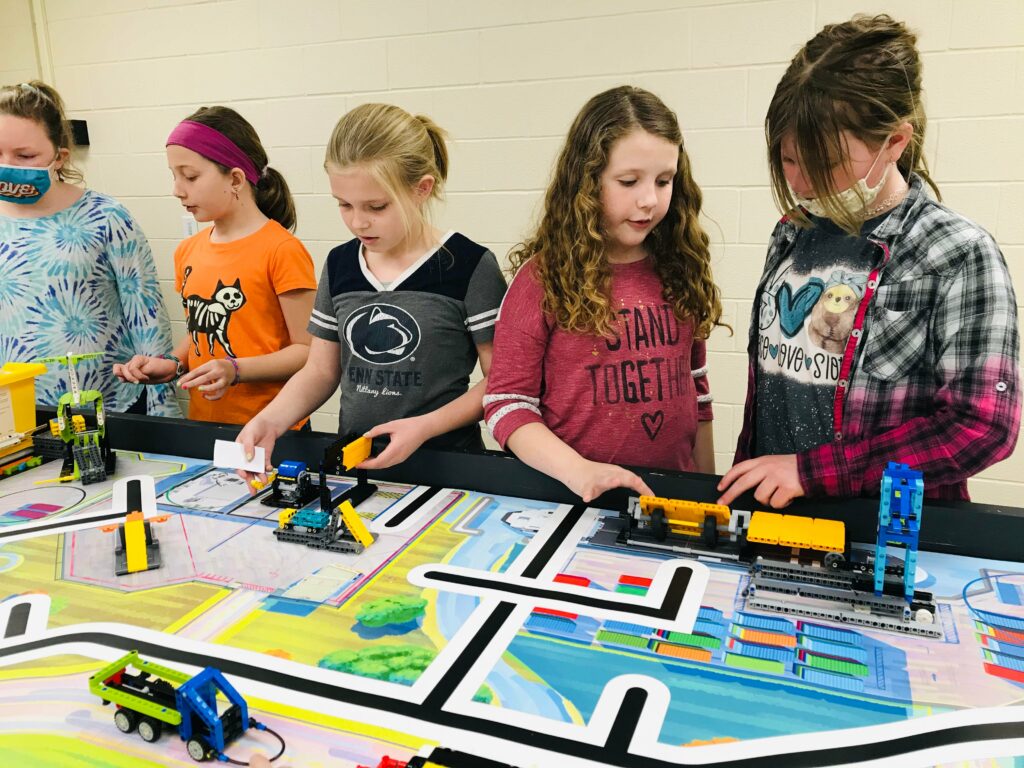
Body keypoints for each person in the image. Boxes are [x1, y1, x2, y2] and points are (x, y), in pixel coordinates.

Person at [718, 14, 1020, 507]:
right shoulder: (792, 232)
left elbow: (983, 425)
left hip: (879, 531)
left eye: (826, 165)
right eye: (790, 160)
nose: (800, 183)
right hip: (773, 514)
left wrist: (814, 472)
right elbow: (774, 394)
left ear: (895, 142)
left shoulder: (957, 253)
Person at [483, 86, 725, 503]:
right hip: (573, 498)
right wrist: (579, 472)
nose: (649, 200)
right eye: (628, 181)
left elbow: (697, 390)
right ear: (587, 180)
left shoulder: (679, 265)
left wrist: (707, 491)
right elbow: (506, 403)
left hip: (667, 498)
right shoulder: (542, 279)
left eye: (664, 181)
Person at [236, 103, 507, 474]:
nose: (358, 221)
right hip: (356, 461)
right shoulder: (341, 264)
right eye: (344, 205)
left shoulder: (470, 266)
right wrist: (270, 420)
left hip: (445, 463)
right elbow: (320, 371)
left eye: (376, 206)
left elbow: (501, 382)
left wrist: (423, 427)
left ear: (421, 189)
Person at [114, 106, 316, 426]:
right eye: (174, 175)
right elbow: (197, 333)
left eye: (190, 176)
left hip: (273, 426)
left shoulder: (282, 250)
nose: (177, 190)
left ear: (235, 178)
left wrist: (235, 370)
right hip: (205, 424)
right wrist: (173, 363)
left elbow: (307, 352)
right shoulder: (188, 251)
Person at [0, 81, 179, 416]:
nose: (8, 165)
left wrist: (162, 412)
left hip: (112, 406)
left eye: (25, 156)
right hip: (17, 414)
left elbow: (146, 316)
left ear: (59, 157)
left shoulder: (106, 217)